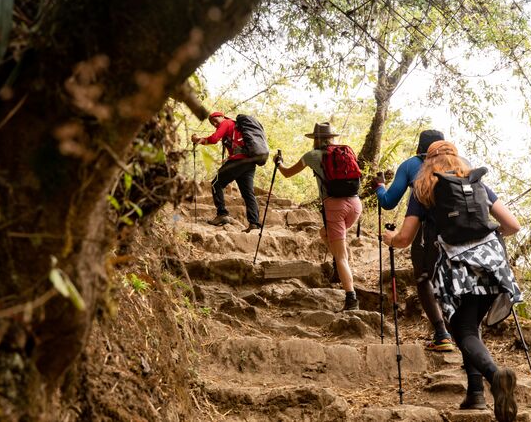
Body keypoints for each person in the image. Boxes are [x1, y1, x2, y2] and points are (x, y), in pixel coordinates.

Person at [382, 140, 522, 422]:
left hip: (456, 270)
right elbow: (512, 226)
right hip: (493, 266)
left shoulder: (424, 188)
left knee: (463, 330)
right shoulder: (478, 184)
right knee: (470, 327)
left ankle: (495, 378)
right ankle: (475, 394)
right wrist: (485, 243)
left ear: (428, 162)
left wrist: (390, 238)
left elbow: (406, 237)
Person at [373, 130, 455, 352]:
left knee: (423, 278)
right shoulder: (457, 164)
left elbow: (389, 202)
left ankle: (442, 333)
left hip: (426, 231)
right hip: (460, 232)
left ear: (421, 148)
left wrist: (380, 187)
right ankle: (463, 334)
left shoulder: (411, 165)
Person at [274, 122, 362, 311]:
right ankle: (341, 269)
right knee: (325, 233)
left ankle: (351, 298)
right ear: (331, 138)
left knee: (341, 256)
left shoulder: (312, 156)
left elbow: (287, 173)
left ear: (316, 139)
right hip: (355, 204)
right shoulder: (345, 152)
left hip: (335, 206)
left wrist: (279, 163)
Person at [192, 111, 261, 232]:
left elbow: (214, 139)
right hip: (250, 162)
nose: (214, 123)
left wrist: (198, 139)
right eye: (212, 122)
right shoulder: (234, 126)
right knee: (248, 193)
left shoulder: (226, 122)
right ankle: (254, 223)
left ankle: (222, 214)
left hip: (238, 161)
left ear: (222, 116)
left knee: (215, 183)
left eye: (215, 119)